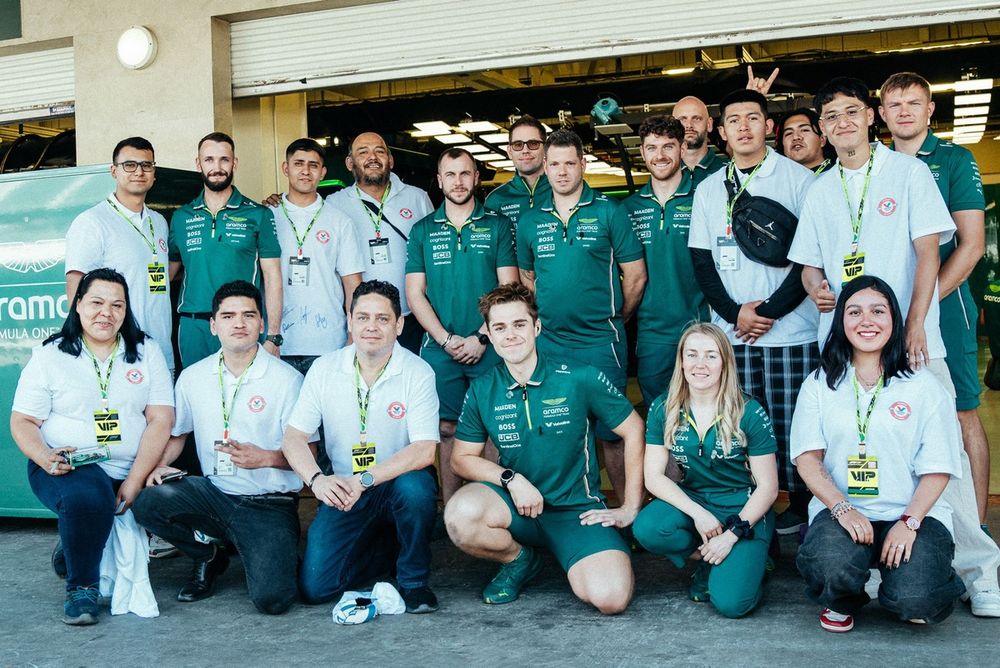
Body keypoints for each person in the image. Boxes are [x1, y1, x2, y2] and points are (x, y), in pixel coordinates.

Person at [445, 283, 645, 614]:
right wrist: (511, 479)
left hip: (576, 511)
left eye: (519, 324)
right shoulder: (483, 389)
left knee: (611, 599)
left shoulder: (579, 376)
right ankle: (520, 559)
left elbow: (634, 429)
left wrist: (629, 507)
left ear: (536, 327)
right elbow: (461, 459)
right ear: (491, 337)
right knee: (459, 516)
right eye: (500, 327)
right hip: (518, 507)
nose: (510, 335)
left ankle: (575, 553)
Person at [880, 71, 1000, 618]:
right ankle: (921, 535)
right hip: (884, 320)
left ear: (931, 111)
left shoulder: (952, 161)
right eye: (894, 104)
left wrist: (919, 307)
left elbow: (971, 245)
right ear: (881, 113)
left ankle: (973, 540)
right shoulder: (875, 165)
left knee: (960, 418)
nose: (904, 111)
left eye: (914, 103)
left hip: (940, 314)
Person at [792, 276, 965, 631]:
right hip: (843, 511)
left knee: (917, 598)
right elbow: (807, 459)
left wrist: (909, 522)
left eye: (877, 311)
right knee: (830, 560)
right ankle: (843, 600)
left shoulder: (924, 387)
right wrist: (841, 507)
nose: (866, 321)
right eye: (854, 312)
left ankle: (904, 587)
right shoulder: (820, 384)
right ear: (841, 321)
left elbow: (938, 469)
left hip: (912, 514)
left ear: (894, 320)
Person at [688, 89, 818, 537]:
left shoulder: (800, 181)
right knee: (738, 432)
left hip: (792, 333)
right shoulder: (708, 189)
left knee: (797, 430)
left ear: (769, 126)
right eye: (734, 120)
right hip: (731, 336)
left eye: (753, 117)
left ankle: (805, 515)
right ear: (720, 132)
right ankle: (749, 525)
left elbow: (808, 259)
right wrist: (734, 314)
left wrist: (766, 312)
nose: (744, 127)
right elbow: (703, 262)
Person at [11, 268, 174, 625]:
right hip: (66, 465)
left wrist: (135, 479)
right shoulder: (51, 355)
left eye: (117, 305)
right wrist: (45, 457)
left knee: (173, 496)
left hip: (130, 465)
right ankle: (82, 588)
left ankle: (74, 549)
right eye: (97, 302)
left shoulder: (146, 351)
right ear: (79, 304)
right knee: (88, 495)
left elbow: (161, 418)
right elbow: (22, 421)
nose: (107, 312)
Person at [132, 281, 306, 615]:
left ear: (262, 323)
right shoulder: (193, 377)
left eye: (248, 315)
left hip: (268, 505)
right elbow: (178, 435)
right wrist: (156, 467)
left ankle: (272, 550)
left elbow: (310, 454)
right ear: (213, 325)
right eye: (227, 316)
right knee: (149, 499)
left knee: (274, 600)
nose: (238, 323)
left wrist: (265, 458)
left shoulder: (287, 380)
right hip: (214, 495)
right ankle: (207, 555)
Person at [282, 280, 441, 614]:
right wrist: (317, 480)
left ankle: (413, 580)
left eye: (383, 319)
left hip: (394, 482)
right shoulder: (325, 369)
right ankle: (384, 549)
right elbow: (294, 437)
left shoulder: (417, 371)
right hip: (343, 489)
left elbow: (426, 449)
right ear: (350, 321)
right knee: (315, 587)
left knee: (416, 490)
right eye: (363, 317)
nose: (372, 326)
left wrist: (365, 479)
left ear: (399, 325)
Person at [516, 128, 646, 502]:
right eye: (554, 164)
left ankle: (626, 513)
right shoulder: (530, 221)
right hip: (551, 344)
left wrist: (612, 317)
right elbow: (528, 278)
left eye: (569, 163)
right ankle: (567, 511)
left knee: (613, 434)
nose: (561, 172)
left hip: (601, 343)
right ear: (544, 166)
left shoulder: (609, 211)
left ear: (582, 165)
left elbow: (635, 275)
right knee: (560, 433)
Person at [633, 322, 778, 618]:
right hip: (698, 500)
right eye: (693, 355)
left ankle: (750, 560)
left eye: (711, 355)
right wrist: (699, 514)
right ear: (681, 361)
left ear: (725, 363)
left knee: (731, 604)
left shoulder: (748, 410)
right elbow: (654, 477)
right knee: (648, 528)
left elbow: (768, 487)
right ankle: (707, 560)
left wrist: (732, 534)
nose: (701, 364)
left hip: (743, 507)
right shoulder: (664, 408)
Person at [406, 148, 519, 502]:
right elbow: (414, 294)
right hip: (441, 349)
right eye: (450, 175)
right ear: (439, 181)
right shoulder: (422, 229)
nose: (458, 181)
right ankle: (452, 506)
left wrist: (480, 338)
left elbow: (509, 289)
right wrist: (446, 340)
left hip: (490, 345)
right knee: (446, 428)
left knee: (494, 428)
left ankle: (497, 506)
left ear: (477, 178)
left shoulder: (498, 224)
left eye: (465, 173)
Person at [168, 132, 283, 367]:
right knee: (196, 398)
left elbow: (273, 277)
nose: (217, 167)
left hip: (242, 323)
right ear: (198, 164)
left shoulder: (258, 214)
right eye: (209, 160)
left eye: (224, 160)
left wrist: (273, 336)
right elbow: (167, 274)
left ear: (235, 163)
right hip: (194, 326)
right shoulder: (181, 217)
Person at [65, 137, 175, 373]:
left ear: (154, 173)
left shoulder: (159, 222)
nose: (139, 172)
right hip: (117, 351)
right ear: (114, 170)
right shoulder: (92, 222)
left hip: (160, 349)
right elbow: (76, 285)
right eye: (129, 165)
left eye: (146, 165)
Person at [619, 114, 708, 405]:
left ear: (682, 149)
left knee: (705, 413)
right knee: (660, 419)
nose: (660, 155)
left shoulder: (704, 199)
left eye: (668, 147)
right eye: (652, 148)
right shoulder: (628, 209)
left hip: (700, 327)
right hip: (652, 335)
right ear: (642, 152)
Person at [326, 132, 434, 353]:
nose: (372, 157)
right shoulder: (333, 204)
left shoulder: (418, 198)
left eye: (379, 151)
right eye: (363, 152)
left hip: (413, 318)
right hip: (363, 323)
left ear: (391, 160)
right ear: (349, 163)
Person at [270, 137, 364, 373]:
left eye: (313, 165)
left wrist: (353, 338)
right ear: (285, 168)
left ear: (322, 172)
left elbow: (353, 285)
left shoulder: (340, 221)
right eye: (298, 163)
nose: (305, 171)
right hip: (276, 343)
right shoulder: (266, 216)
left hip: (328, 344)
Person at [484, 115, 551, 234]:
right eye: (518, 145)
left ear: (546, 149)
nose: (525, 150)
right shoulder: (495, 200)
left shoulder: (563, 191)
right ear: (509, 152)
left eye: (533, 143)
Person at [673, 96, 726, 185]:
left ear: (709, 124)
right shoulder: (664, 172)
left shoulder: (729, 170)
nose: (689, 125)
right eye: (683, 119)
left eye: (696, 118)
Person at [775, 108, 834, 174]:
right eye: (789, 133)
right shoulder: (777, 180)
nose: (795, 137)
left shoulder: (839, 174)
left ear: (822, 140)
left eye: (804, 130)